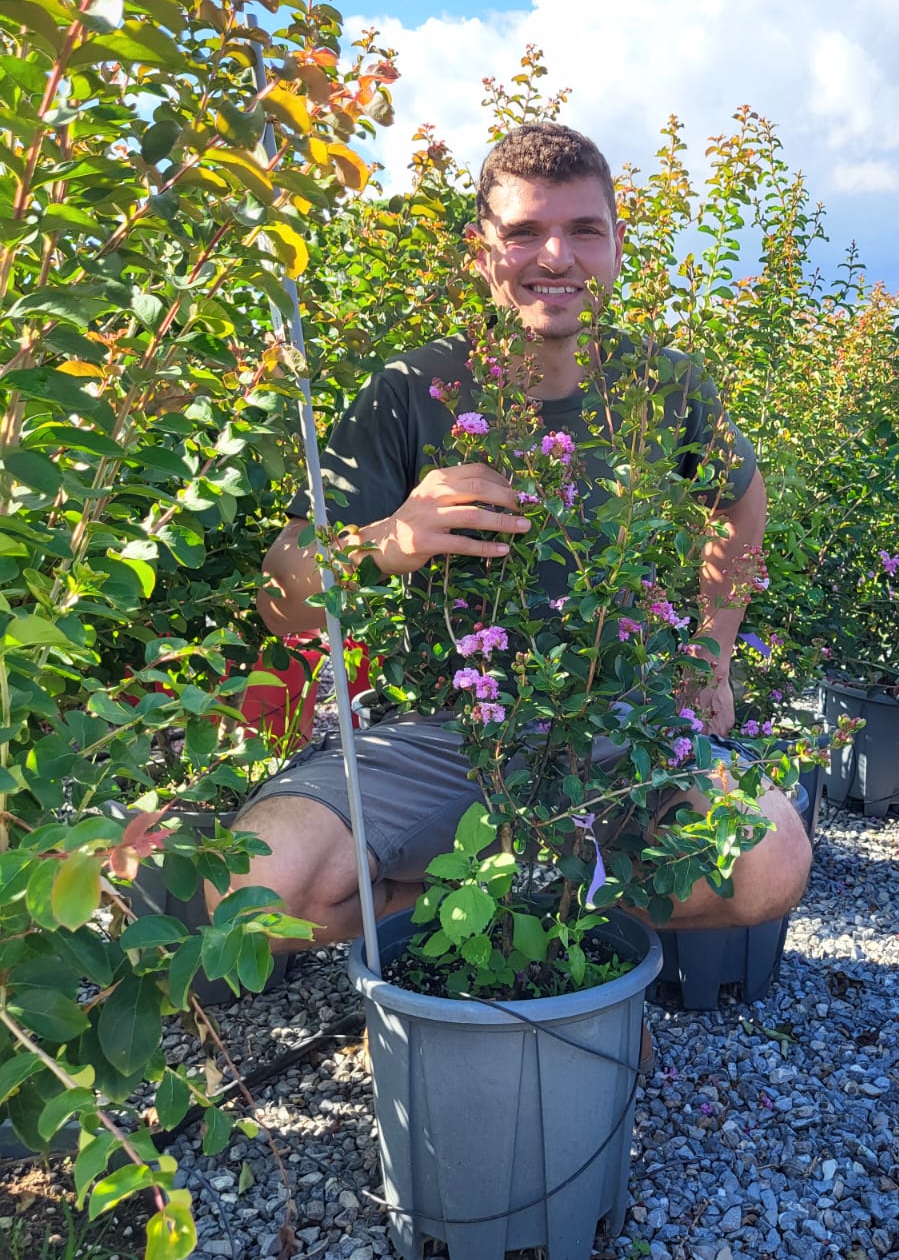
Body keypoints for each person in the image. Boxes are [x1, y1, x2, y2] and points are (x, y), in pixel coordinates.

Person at [228, 122, 810, 950]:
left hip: (621, 724)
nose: (555, 258)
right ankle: (482, 909)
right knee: (254, 896)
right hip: (440, 730)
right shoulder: (412, 390)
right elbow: (280, 598)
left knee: (767, 864)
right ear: (481, 250)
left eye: (583, 230)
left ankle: (555, 925)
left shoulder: (664, 384)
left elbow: (740, 505)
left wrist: (712, 651)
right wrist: (384, 541)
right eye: (524, 232)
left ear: (615, 247)